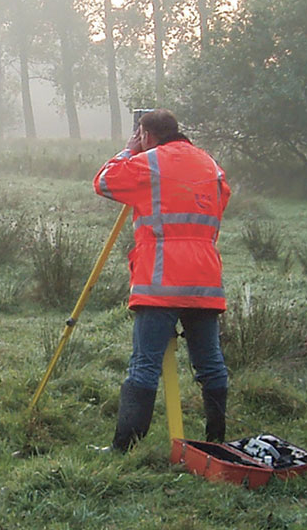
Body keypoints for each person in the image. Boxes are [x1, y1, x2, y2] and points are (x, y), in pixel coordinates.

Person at [93, 109, 232, 451]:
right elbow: (220, 202)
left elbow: (105, 182)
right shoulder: (209, 164)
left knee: (143, 365)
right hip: (204, 279)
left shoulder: (149, 162)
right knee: (210, 363)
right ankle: (216, 440)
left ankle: (125, 446)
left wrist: (129, 151)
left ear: (146, 134)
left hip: (159, 281)